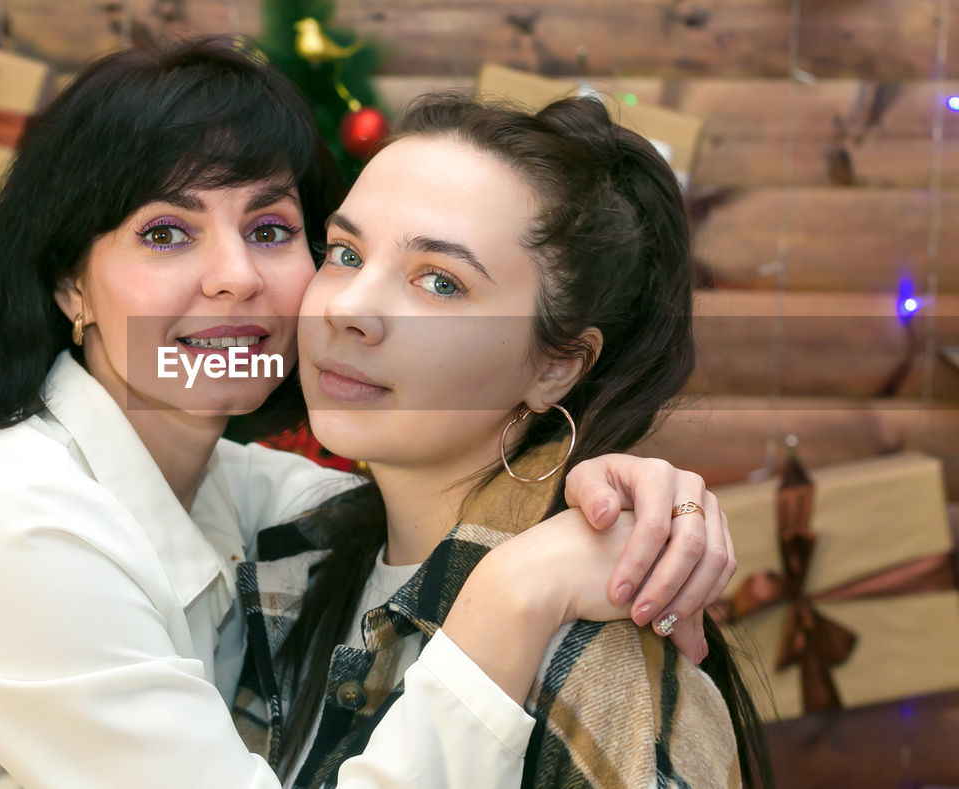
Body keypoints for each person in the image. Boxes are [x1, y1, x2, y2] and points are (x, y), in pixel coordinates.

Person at [0, 39, 736, 788]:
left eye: (271, 230)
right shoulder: (16, 531)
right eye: (165, 232)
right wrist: (513, 592)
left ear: (559, 361)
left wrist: (649, 497)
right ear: (73, 282)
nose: (237, 276)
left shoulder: (258, 502)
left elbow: (435, 509)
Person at [236, 92, 772, 787]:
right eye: (344, 251)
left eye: (439, 281)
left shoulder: (595, 655)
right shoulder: (296, 553)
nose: (348, 307)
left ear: (557, 366)